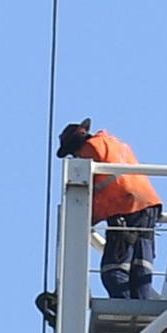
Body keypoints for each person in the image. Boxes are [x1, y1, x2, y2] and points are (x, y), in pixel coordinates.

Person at [62, 116, 156, 300]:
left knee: (113, 272)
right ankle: (143, 316)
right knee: (140, 271)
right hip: (149, 206)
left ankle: (127, 315)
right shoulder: (115, 144)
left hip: (126, 208)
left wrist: (82, 220)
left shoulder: (88, 151)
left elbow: (97, 195)